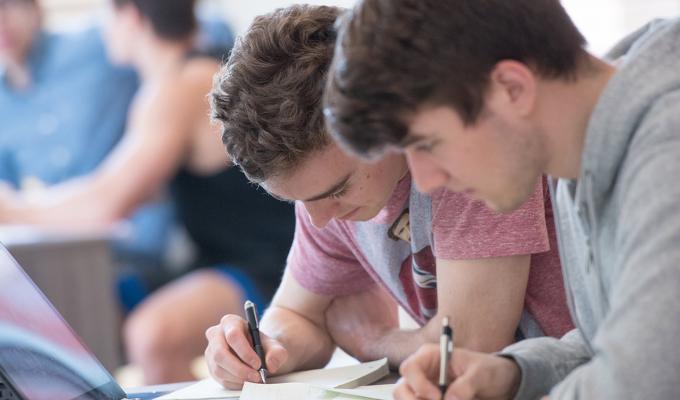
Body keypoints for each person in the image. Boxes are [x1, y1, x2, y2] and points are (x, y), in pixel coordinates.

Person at [204, 4, 573, 390]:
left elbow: (466, 349)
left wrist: (375, 340)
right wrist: (259, 349)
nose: (320, 220)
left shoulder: (463, 156)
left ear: (370, 119)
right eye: (298, 200)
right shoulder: (325, 192)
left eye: (337, 190)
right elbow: (298, 315)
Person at [324, 0, 680, 399]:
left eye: (428, 144)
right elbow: (618, 339)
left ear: (512, 87)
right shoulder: (575, 153)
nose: (426, 182)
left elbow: (643, 381)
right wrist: (511, 373)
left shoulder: (669, 148)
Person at [0, 0, 295, 384]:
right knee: (86, 305)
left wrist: (13, 209)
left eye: (108, 18)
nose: (103, 31)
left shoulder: (183, 85)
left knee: (152, 334)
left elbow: (106, 202)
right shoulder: (167, 82)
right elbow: (128, 193)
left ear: (131, 17)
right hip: (214, 256)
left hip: (269, 261)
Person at [0, 0, 173, 266]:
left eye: (6, 6)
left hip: (133, 247)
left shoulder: (97, 42)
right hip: (56, 250)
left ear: (35, 8)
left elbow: (194, 30)